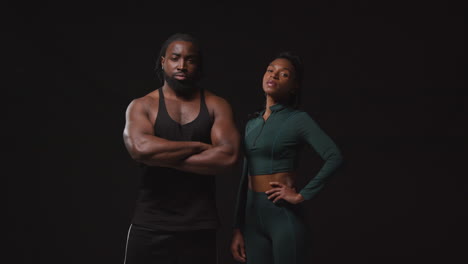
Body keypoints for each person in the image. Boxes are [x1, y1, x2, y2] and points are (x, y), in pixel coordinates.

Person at [122, 33, 240, 264]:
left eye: (190, 60)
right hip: (150, 224)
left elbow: (228, 156)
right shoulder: (142, 105)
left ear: (198, 65)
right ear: (163, 61)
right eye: (175, 58)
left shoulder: (216, 105)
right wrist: (197, 146)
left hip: (199, 226)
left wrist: (162, 157)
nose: (182, 65)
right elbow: (141, 148)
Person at [230, 51, 343, 264]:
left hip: (282, 215)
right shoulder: (251, 124)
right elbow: (245, 177)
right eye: (270, 70)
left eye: (284, 74)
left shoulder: (298, 120)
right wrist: (238, 227)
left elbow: (334, 157)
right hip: (252, 218)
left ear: (294, 86)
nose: (273, 75)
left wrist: (302, 195)